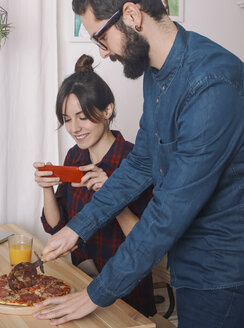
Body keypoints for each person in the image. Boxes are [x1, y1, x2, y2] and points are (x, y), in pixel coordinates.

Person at [33, 0, 244, 327]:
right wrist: (78, 226)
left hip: (221, 273)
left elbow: (169, 211)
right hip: (189, 264)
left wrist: (95, 294)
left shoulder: (211, 83)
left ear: (131, 15)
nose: (103, 53)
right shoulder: (157, 73)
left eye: (101, 38)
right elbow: (141, 163)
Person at [34, 54, 156, 317]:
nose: (74, 128)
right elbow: (57, 227)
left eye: (83, 117)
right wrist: (46, 187)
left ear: (107, 110)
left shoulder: (135, 162)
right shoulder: (75, 157)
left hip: (126, 296)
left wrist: (113, 195)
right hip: (80, 285)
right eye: (67, 119)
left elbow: (147, 242)